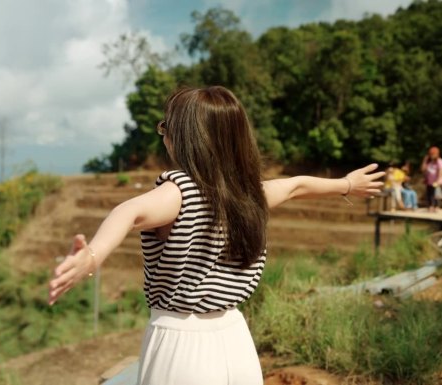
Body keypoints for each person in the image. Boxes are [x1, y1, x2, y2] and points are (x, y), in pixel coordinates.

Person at [47, 86, 384, 385]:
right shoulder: (250, 193)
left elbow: (127, 211)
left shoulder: (181, 190)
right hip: (236, 341)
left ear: (185, 138)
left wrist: (92, 255)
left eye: (166, 128)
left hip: (181, 345)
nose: (163, 136)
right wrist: (348, 184)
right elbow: (296, 186)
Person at [420, 146, 442, 212]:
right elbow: (423, 169)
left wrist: (437, 181)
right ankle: (430, 206)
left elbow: (441, 172)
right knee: (429, 194)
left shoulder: (440, 161)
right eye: (430, 154)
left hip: (437, 181)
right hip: (429, 181)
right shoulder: (429, 162)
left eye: (433, 154)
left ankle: (436, 206)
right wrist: (425, 160)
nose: (431, 156)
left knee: (436, 194)